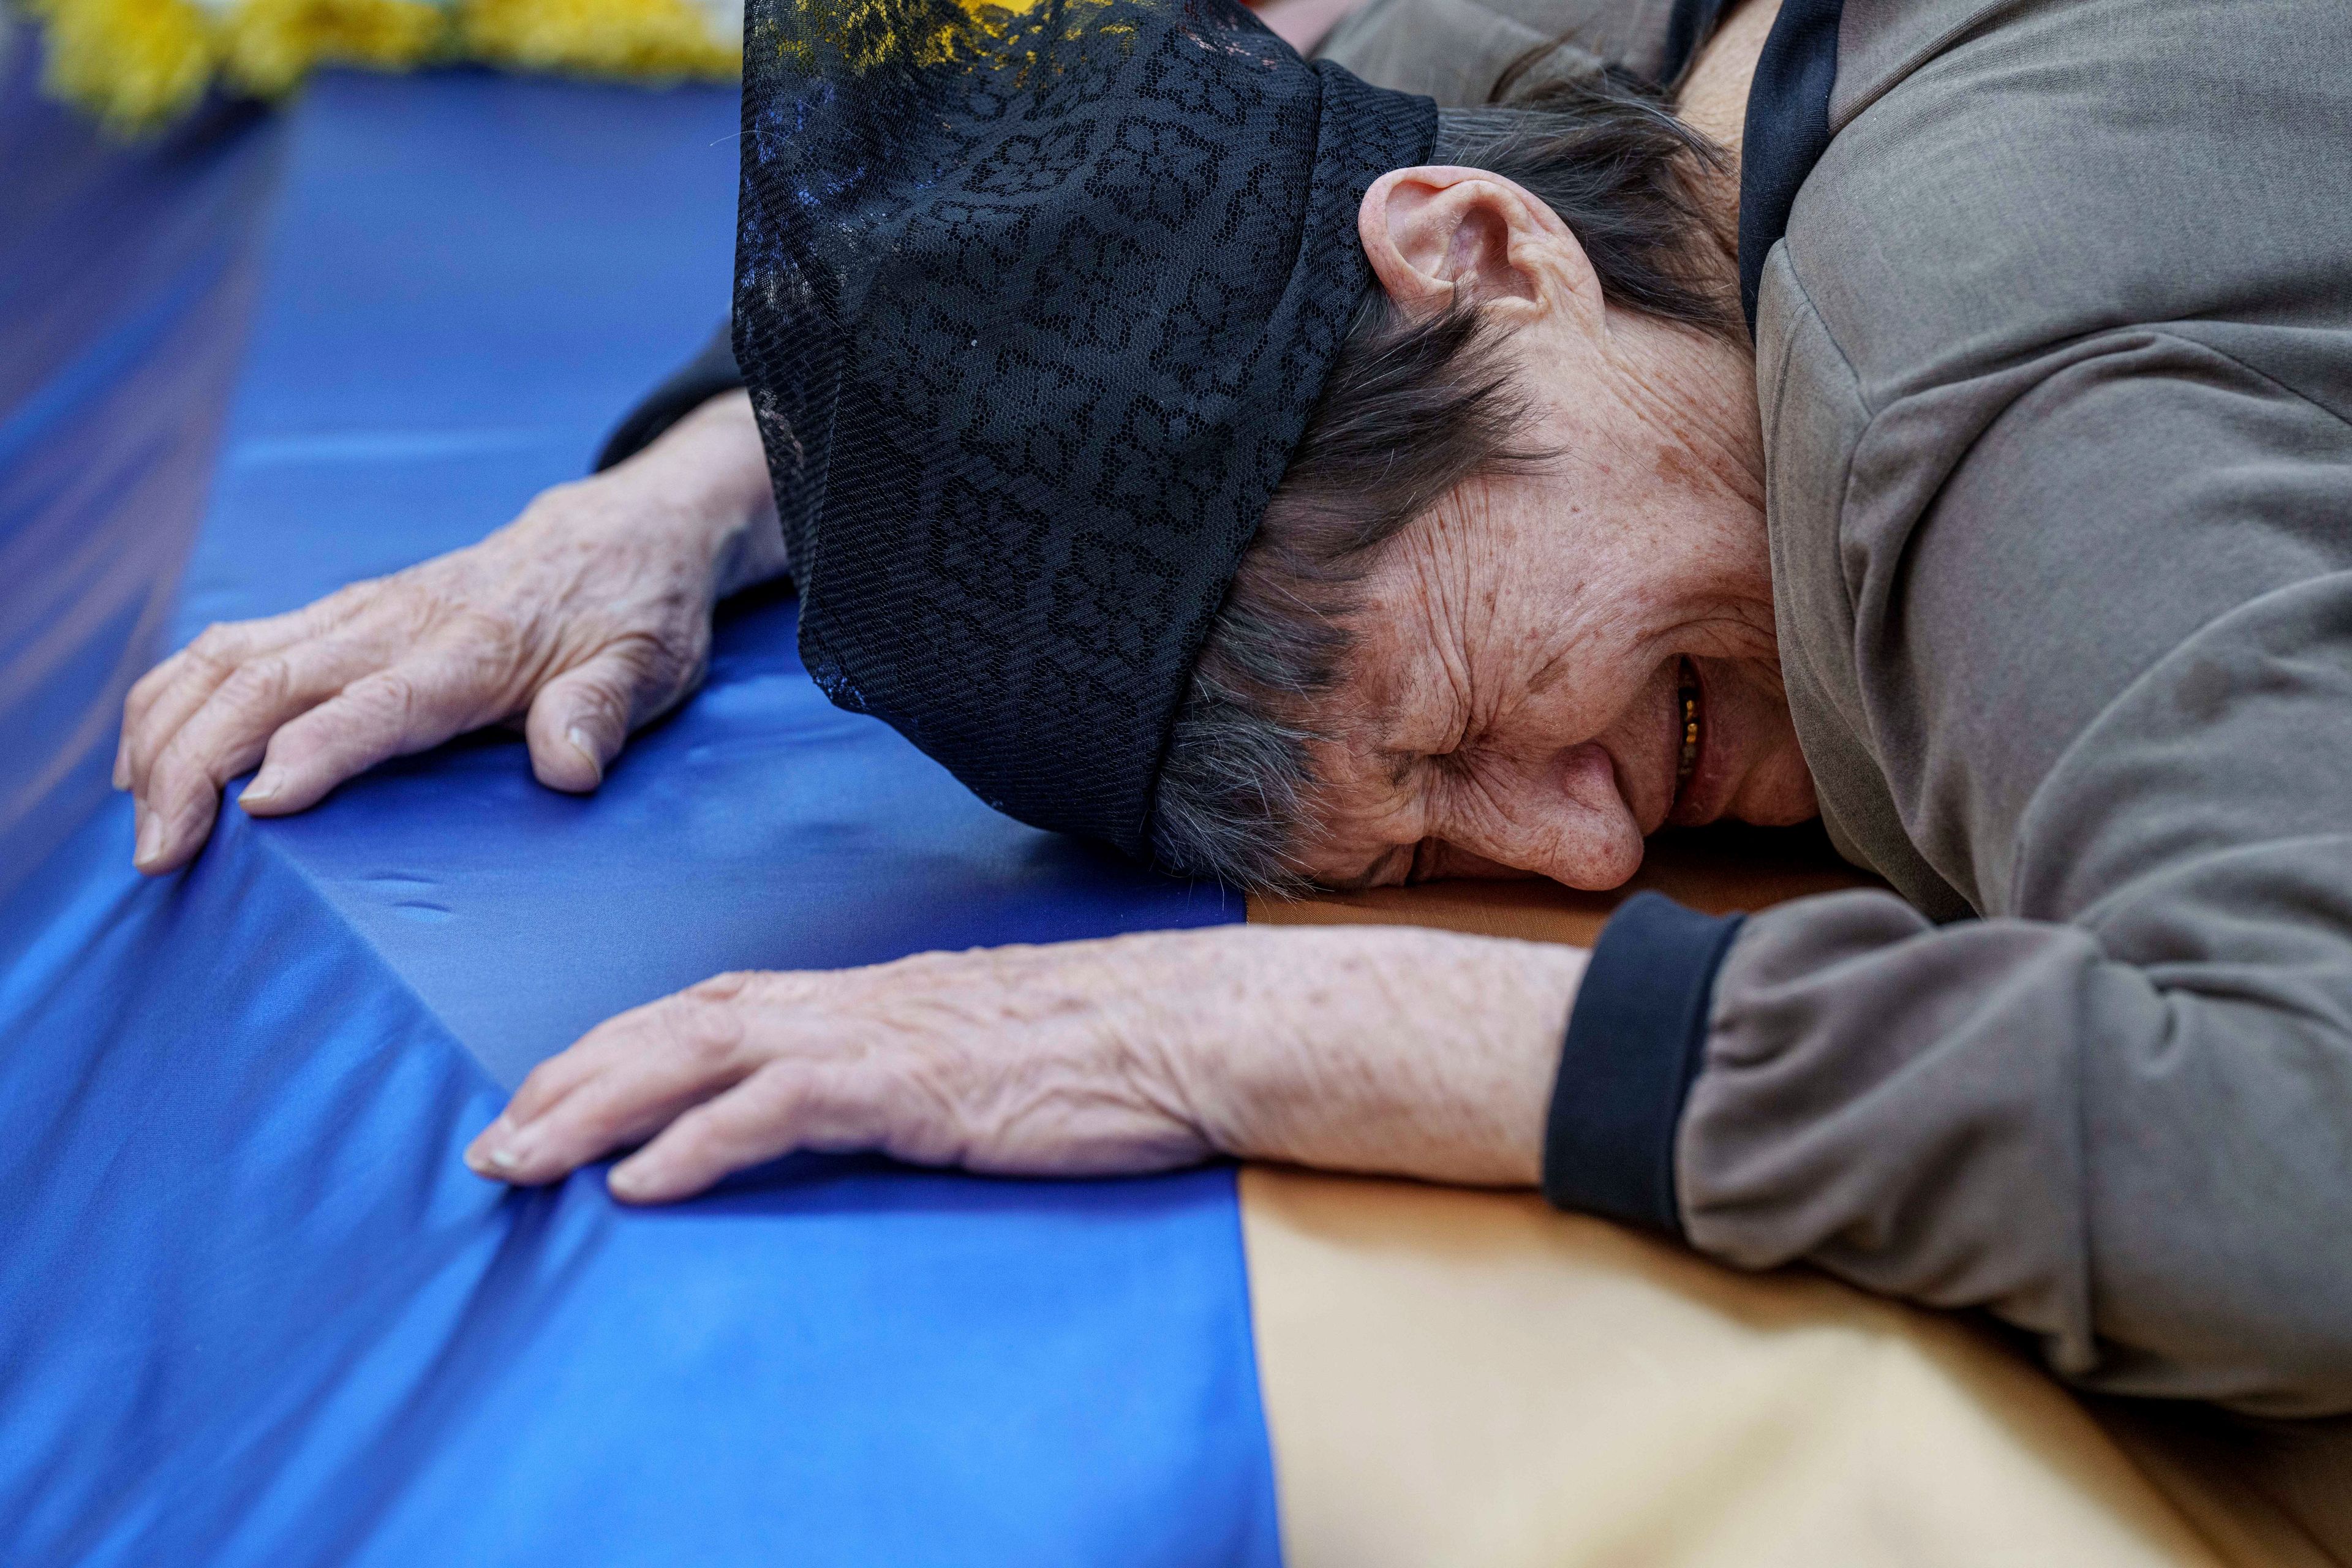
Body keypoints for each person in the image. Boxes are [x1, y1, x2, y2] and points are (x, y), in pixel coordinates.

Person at [113, 0, 2352, 1415]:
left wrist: (1223, 1032)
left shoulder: (1992, 408)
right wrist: (659, 514)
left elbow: (2308, 1162)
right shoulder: (1583, 122)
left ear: (1479, 250)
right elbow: (1188, 123)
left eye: (1477, 703)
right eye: (1430, 842)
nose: (1581, 854)